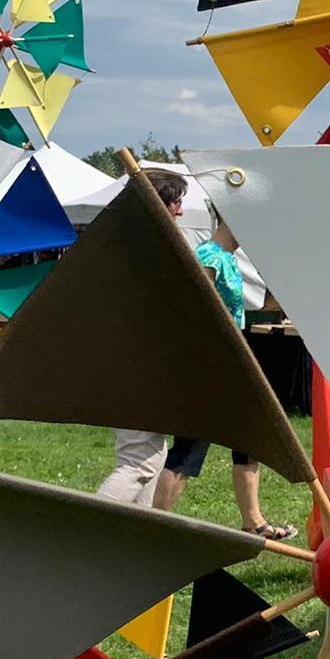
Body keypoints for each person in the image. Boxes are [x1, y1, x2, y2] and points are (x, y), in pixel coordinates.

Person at [152, 208, 298, 541]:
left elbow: (239, 312)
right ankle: (156, 523)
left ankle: (253, 521)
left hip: (234, 364)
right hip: (211, 367)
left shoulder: (229, 260)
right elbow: (194, 309)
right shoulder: (208, 257)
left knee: (249, 442)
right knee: (188, 449)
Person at [96, 169, 187, 506]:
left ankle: (134, 533)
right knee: (139, 461)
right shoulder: (144, 247)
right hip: (136, 362)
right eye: (176, 202)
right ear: (159, 203)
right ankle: (86, 526)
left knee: (153, 454)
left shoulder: (134, 242)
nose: (180, 211)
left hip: (138, 360)